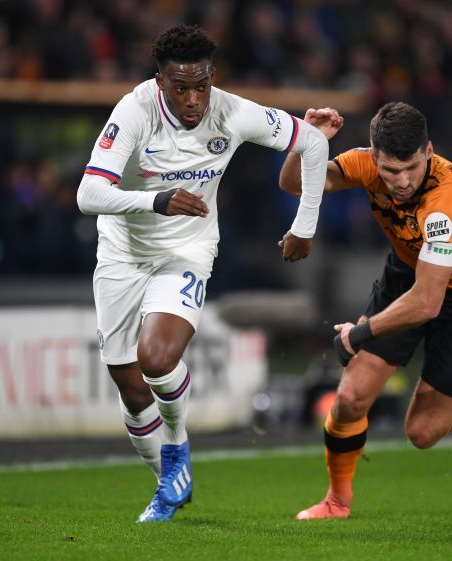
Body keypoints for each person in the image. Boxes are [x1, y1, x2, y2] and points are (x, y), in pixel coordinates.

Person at [76, 24, 329, 522]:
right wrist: (157, 200)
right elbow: (88, 195)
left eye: (202, 85)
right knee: (129, 385)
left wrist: (304, 226)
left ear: (212, 77)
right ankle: (170, 478)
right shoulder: (134, 111)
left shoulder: (233, 111)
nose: (193, 99)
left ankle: (175, 450)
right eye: (181, 88)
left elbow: (314, 143)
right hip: (122, 252)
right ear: (160, 81)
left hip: (187, 249)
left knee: (156, 357)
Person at [279, 101, 452, 520]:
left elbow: (428, 302)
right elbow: (295, 184)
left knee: (422, 433)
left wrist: (360, 334)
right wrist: (306, 143)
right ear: (374, 157)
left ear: (429, 151)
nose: (401, 182)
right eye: (390, 171)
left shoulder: (450, 198)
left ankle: (450, 385)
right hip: (409, 274)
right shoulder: (364, 165)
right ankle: (336, 502)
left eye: (412, 168)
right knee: (349, 398)